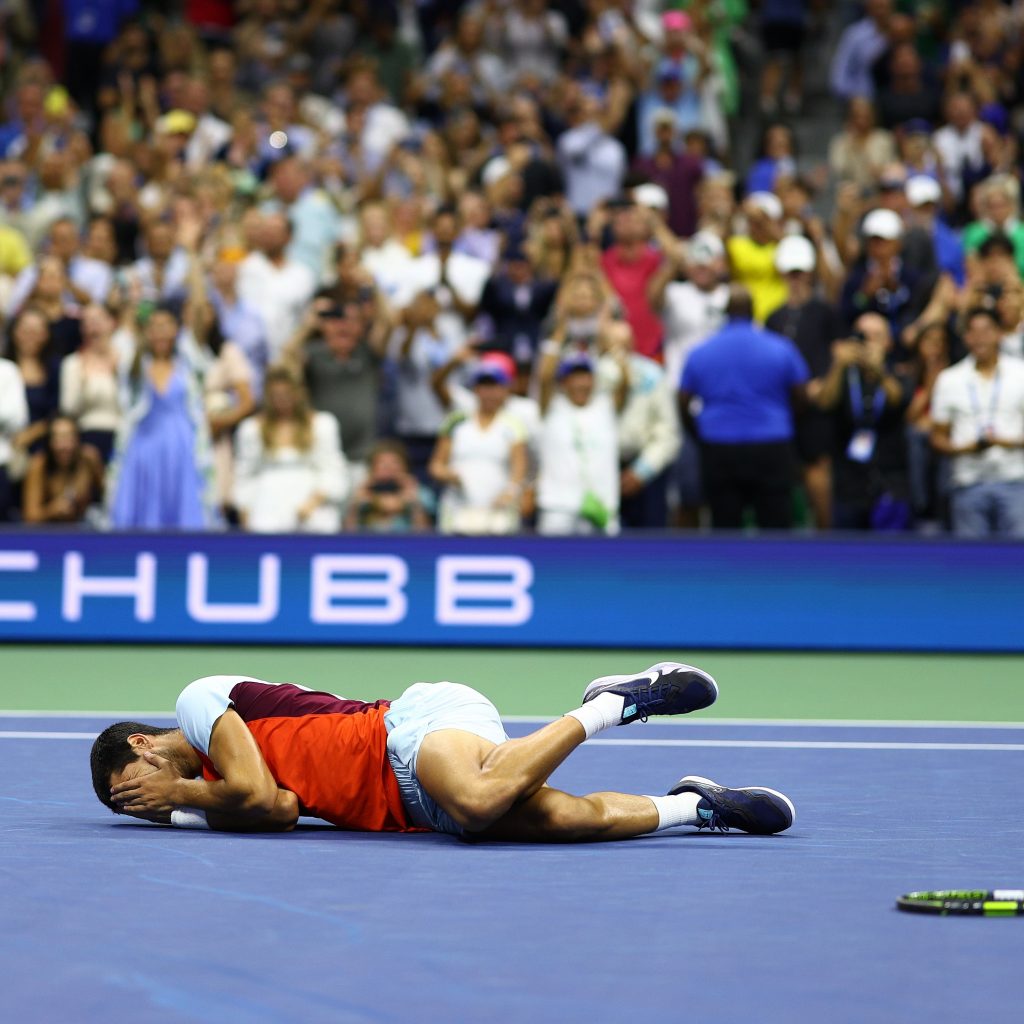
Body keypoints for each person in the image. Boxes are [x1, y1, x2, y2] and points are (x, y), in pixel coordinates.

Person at [91, 662, 796, 841]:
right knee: (575, 820)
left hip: (412, 730)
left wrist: (181, 796)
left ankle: (615, 702)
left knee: (482, 798)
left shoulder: (198, 702)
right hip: (411, 807)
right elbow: (276, 809)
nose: (145, 803)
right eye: (135, 808)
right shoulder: (215, 798)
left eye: (136, 785)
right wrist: (182, 809)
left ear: (145, 743)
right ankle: (695, 807)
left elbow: (251, 789)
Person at [680, 285, 809, 530]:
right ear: (753, 312)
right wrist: (784, 421)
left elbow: (683, 401)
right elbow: (801, 396)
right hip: (772, 444)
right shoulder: (780, 348)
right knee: (776, 526)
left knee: (725, 526)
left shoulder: (701, 352)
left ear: (726, 313)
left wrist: (701, 433)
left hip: (718, 445)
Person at [108, 305, 215, 530]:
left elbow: (197, 312)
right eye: (155, 327)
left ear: (177, 330)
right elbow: (127, 408)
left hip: (181, 447)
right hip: (143, 447)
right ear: (146, 332)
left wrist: (195, 270)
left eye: (166, 326)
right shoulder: (134, 366)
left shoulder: (188, 363)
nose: (161, 333)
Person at [930, 308, 1024, 537]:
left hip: (1015, 479)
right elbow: (938, 436)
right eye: (973, 332)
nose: (980, 337)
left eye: (986, 330)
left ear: (1000, 334)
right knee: (972, 565)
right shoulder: (949, 379)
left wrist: (1006, 442)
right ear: (966, 337)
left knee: (1017, 563)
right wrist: (964, 448)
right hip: (968, 481)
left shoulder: (1021, 373)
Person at [816, 313, 912, 531]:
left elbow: (898, 399)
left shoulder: (899, 372)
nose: (868, 342)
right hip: (849, 483)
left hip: (890, 482)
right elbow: (824, 402)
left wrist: (879, 370)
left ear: (888, 342)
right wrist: (838, 366)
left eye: (876, 336)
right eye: (862, 336)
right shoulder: (843, 375)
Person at [233, 367, 348, 534]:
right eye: (276, 395)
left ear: (298, 393)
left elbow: (333, 470)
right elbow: (244, 475)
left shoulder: (322, 424)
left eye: (286, 394)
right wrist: (245, 513)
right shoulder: (252, 429)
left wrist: (312, 504)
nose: (281, 400)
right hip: (267, 507)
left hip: (311, 508)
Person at [429, 358, 527, 535]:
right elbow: (436, 465)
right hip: (458, 508)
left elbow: (519, 468)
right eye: (484, 386)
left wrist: (510, 493)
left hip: (497, 512)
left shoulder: (513, 425)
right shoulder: (456, 421)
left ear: (506, 390)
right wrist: (448, 475)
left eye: (495, 386)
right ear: (475, 390)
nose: (489, 393)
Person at [22, 415, 104, 524]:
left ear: (78, 440)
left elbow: (109, 496)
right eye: (58, 439)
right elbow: (30, 517)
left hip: (85, 528)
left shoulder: (89, 459)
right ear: (49, 442)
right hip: (49, 532)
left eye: (69, 438)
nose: (64, 446)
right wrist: (52, 510)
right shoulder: (38, 466)